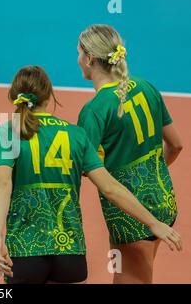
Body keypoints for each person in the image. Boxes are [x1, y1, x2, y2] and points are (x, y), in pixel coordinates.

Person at [0, 65, 182, 284]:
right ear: (49, 95)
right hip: (71, 256)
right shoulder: (76, 135)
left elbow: (3, 185)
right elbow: (110, 187)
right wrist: (152, 222)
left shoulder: (5, 132)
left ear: (15, 97)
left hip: (24, 253)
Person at [76, 24, 184, 284]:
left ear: (90, 59)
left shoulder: (94, 111)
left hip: (131, 217)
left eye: (79, 53)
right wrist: (149, 179)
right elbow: (176, 145)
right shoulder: (146, 87)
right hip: (163, 201)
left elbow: (90, 174)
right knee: (136, 273)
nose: (77, 59)